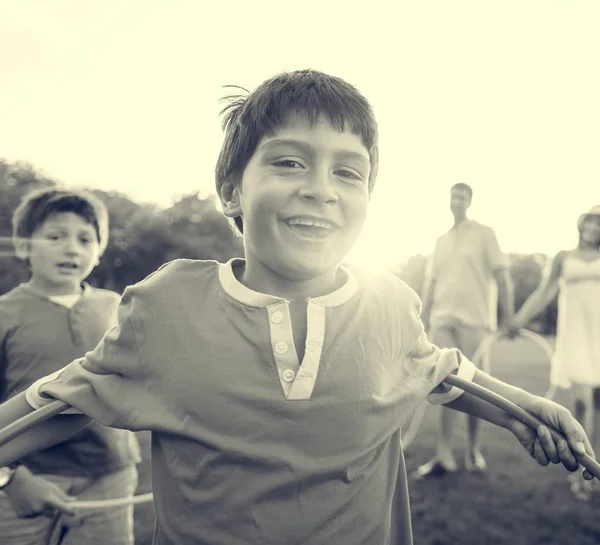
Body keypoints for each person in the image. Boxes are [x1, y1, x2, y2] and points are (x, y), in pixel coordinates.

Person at [0, 70, 594, 545]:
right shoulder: (167, 306)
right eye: (289, 161)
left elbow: (440, 368)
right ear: (232, 189)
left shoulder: (388, 303)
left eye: (348, 171)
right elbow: (60, 400)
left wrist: (524, 407)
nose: (321, 187)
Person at [0, 188, 140, 545]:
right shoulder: (4, 314)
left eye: (85, 238)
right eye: (55, 236)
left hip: (109, 475)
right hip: (24, 479)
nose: (72, 248)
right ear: (23, 246)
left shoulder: (121, 308)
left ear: (99, 249)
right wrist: (9, 477)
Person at [414, 183, 515, 478]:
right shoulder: (441, 240)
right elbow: (430, 283)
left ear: (470, 201)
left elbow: (503, 276)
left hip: (475, 322)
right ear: (449, 201)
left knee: (476, 387)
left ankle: (473, 450)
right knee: (445, 384)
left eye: (462, 196)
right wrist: (421, 317)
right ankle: (443, 455)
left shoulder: (484, 234)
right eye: (453, 196)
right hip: (443, 320)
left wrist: (508, 316)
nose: (456, 200)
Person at [504, 205, 600, 500]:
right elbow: (545, 292)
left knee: (596, 404)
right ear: (581, 224)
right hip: (575, 336)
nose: (594, 229)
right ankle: (581, 473)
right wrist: (518, 318)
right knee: (581, 403)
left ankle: (592, 467)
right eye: (590, 222)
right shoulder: (563, 257)